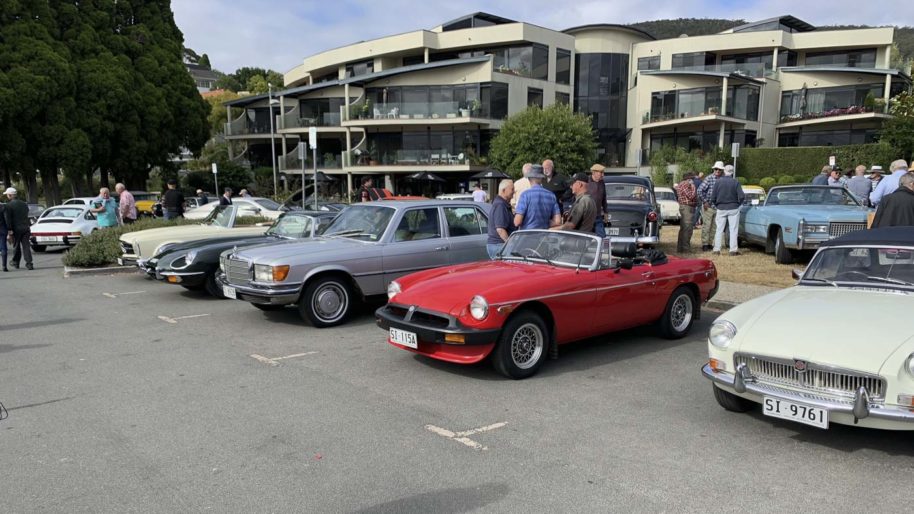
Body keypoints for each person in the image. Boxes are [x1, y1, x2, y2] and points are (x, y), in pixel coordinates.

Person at [514, 164, 561, 230]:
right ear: (541, 179)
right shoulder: (551, 196)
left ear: (529, 178)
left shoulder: (525, 195)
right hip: (543, 236)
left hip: (526, 236)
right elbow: (558, 221)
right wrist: (545, 223)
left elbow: (517, 222)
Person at [711, 166, 745, 255]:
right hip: (733, 207)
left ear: (724, 171)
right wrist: (738, 204)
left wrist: (717, 205)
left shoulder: (718, 182)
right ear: (732, 172)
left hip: (721, 208)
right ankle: (733, 250)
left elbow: (713, 197)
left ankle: (716, 249)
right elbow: (741, 196)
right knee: (733, 229)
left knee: (719, 229)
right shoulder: (735, 182)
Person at [697, 161, 724, 251]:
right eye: (716, 169)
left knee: (714, 227)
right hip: (708, 206)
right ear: (713, 169)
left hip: (719, 207)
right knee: (706, 226)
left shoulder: (723, 179)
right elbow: (700, 190)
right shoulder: (709, 178)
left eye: (719, 169)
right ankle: (705, 244)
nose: (717, 171)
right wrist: (705, 202)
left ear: (722, 170)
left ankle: (710, 244)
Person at [4, 187, 32, 270]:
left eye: (7, 195)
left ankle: (16, 262)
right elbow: (26, 214)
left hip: (16, 229)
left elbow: (8, 219)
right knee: (26, 246)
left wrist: (9, 230)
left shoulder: (8, 206)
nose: (7, 197)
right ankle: (29, 263)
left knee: (16, 246)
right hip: (26, 227)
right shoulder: (24, 204)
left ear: (10, 195)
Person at [486, 179, 515, 259]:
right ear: (503, 190)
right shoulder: (500, 205)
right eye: (512, 189)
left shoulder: (502, 204)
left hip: (498, 245)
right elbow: (500, 229)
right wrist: (510, 244)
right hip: (499, 245)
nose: (514, 191)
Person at [674, 172, 698, 253]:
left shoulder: (681, 184)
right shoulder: (685, 184)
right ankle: (686, 248)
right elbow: (691, 196)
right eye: (692, 179)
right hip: (687, 207)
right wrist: (693, 186)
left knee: (684, 228)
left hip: (685, 207)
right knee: (688, 228)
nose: (693, 180)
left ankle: (680, 248)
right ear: (689, 179)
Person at [586, 164, 607, 238]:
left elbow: (604, 198)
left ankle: (601, 250)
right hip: (587, 216)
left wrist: (606, 212)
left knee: (602, 237)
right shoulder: (586, 182)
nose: (602, 175)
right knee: (586, 237)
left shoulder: (602, 183)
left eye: (603, 172)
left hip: (598, 215)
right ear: (593, 172)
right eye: (601, 172)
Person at [0, 198, 8, 271]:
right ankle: (4, 266)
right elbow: (6, 219)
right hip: (2, 229)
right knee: (3, 247)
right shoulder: (3, 207)